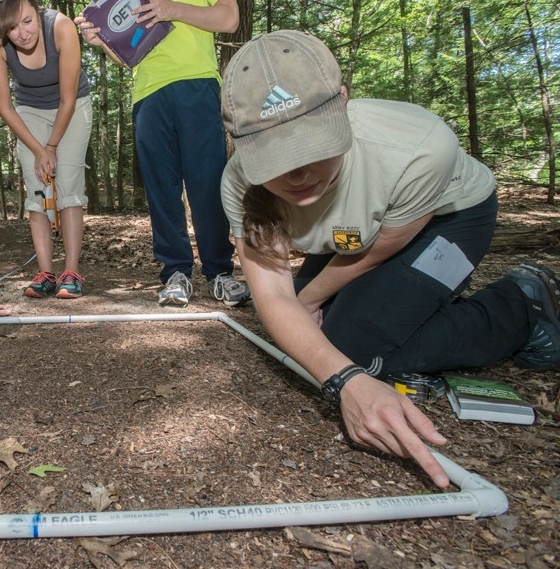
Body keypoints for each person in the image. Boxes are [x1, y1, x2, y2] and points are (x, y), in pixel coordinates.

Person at [219, 30, 560, 488]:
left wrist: (343, 372)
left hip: (449, 220)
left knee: (351, 347)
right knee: (306, 337)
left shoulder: (420, 148)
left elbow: (378, 250)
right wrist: (307, 312)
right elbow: (276, 296)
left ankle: (523, 302)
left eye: (309, 145)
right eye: (274, 156)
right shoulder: (238, 184)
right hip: (352, 235)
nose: (296, 174)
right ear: (238, 142)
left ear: (343, 102)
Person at [76, 0, 250, 308]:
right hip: (148, 92)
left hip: (198, 82)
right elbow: (127, 55)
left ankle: (219, 273)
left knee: (208, 183)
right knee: (161, 189)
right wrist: (101, 40)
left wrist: (174, 10)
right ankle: (175, 273)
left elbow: (230, 19)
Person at [0, 0, 92, 299]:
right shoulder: (1, 44)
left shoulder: (61, 27)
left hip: (73, 106)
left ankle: (72, 272)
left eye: (27, 21)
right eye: (11, 28)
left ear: (37, 12)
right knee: (37, 185)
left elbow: (67, 99)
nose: (22, 33)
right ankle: (45, 272)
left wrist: (50, 147)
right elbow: (5, 106)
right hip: (29, 111)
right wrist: (39, 152)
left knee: (67, 184)